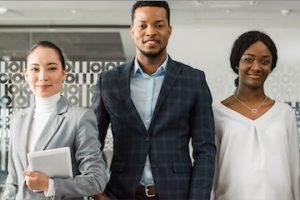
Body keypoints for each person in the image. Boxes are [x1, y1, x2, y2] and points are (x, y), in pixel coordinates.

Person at [91, 1, 216, 200]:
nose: (151, 32)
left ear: (169, 30)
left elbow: (205, 150)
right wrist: (97, 193)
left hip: (177, 194)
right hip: (121, 194)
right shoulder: (109, 81)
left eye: (158, 25)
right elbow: (90, 144)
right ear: (132, 31)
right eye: (143, 25)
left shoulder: (194, 80)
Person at [2, 40, 107, 200]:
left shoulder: (79, 118)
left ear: (63, 73)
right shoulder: (18, 119)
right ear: (26, 75)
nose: (43, 76)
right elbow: (13, 180)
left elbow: (96, 180)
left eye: (51, 68)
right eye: (35, 69)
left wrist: (49, 185)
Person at [211, 30, 300, 200]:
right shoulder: (216, 113)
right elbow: (210, 170)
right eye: (249, 59)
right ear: (237, 63)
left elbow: (295, 169)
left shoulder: (285, 113)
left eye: (265, 61)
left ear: (271, 66)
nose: (257, 67)